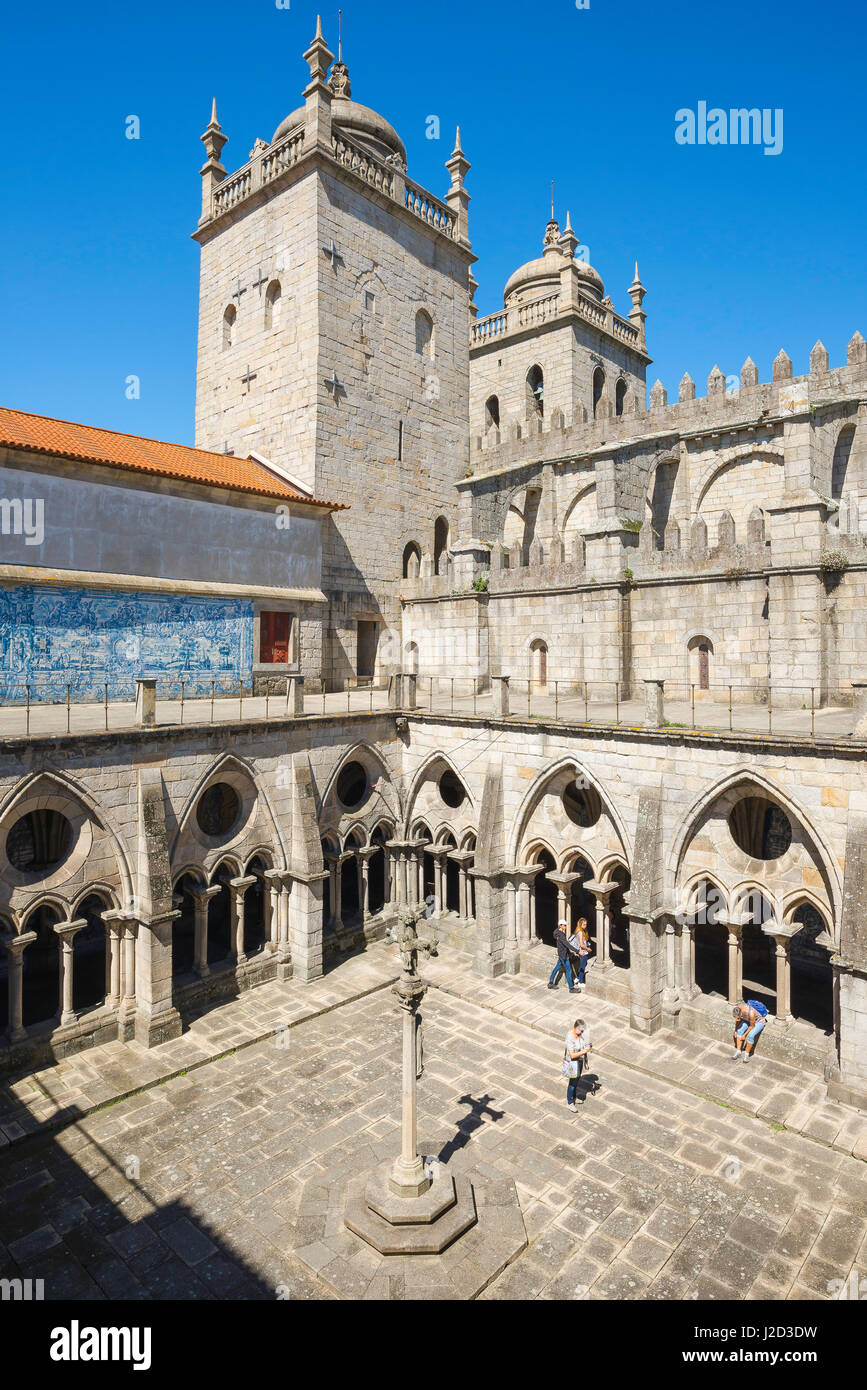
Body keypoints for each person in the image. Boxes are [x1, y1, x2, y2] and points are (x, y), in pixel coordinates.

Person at [563, 1018, 592, 1111]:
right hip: (572, 1062)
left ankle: (574, 1097)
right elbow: (572, 1055)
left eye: (583, 1030)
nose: (582, 1032)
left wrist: (586, 1047)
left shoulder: (580, 1035)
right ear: (575, 1027)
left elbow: (582, 1044)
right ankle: (570, 1102)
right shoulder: (570, 1037)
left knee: (577, 1079)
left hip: (579, 1060)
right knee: (572, 1082)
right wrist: (584, 1051)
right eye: (580, 1030)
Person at [548, 920, 578, 992]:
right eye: (564, 925)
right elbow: (567, 944)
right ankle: (571, 988)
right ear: (560, 925)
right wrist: (577, 951)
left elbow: (554, 934)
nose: (565, 926)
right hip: (564, 956)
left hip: (561, 954)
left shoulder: (557, 932)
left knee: (557, 967)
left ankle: (551, 983)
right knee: (568, 970)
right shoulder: (561, 935)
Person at [571, 917, 592, 989]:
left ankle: (577, 978)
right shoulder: (580, 932)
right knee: (583, 966)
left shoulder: (580, 930)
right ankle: (580, 982)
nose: (585, 926)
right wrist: (587, 948)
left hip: (582, 951)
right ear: (580, 924)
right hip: (583, 952)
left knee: (583, 964)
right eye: (584, 925)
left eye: (586, 924)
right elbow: (581, 944)